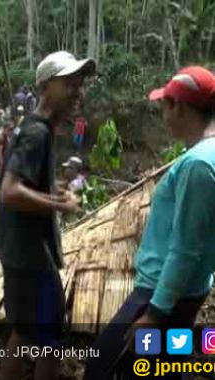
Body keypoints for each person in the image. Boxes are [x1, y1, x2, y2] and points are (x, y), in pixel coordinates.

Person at [84, 66, 215, 380]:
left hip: (160, 295)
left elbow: (186, 247)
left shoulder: (197, 164)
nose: (162, 114)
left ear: (179, 106)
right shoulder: (207, 155)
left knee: (101, 367)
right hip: (188, 292)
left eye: (164, 105)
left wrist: (154, 313)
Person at [0, 51, 95, 380]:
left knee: (24, 332)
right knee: (51, 342)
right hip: (30, 255)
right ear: (46, 87)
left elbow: (19, 187)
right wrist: (58, 204)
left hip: (21, 251)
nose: (78, 91)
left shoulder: (39, 130)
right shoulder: (37, 133)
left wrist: (52, 194)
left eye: (80, 84)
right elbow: (9, 191)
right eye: (70, 84)